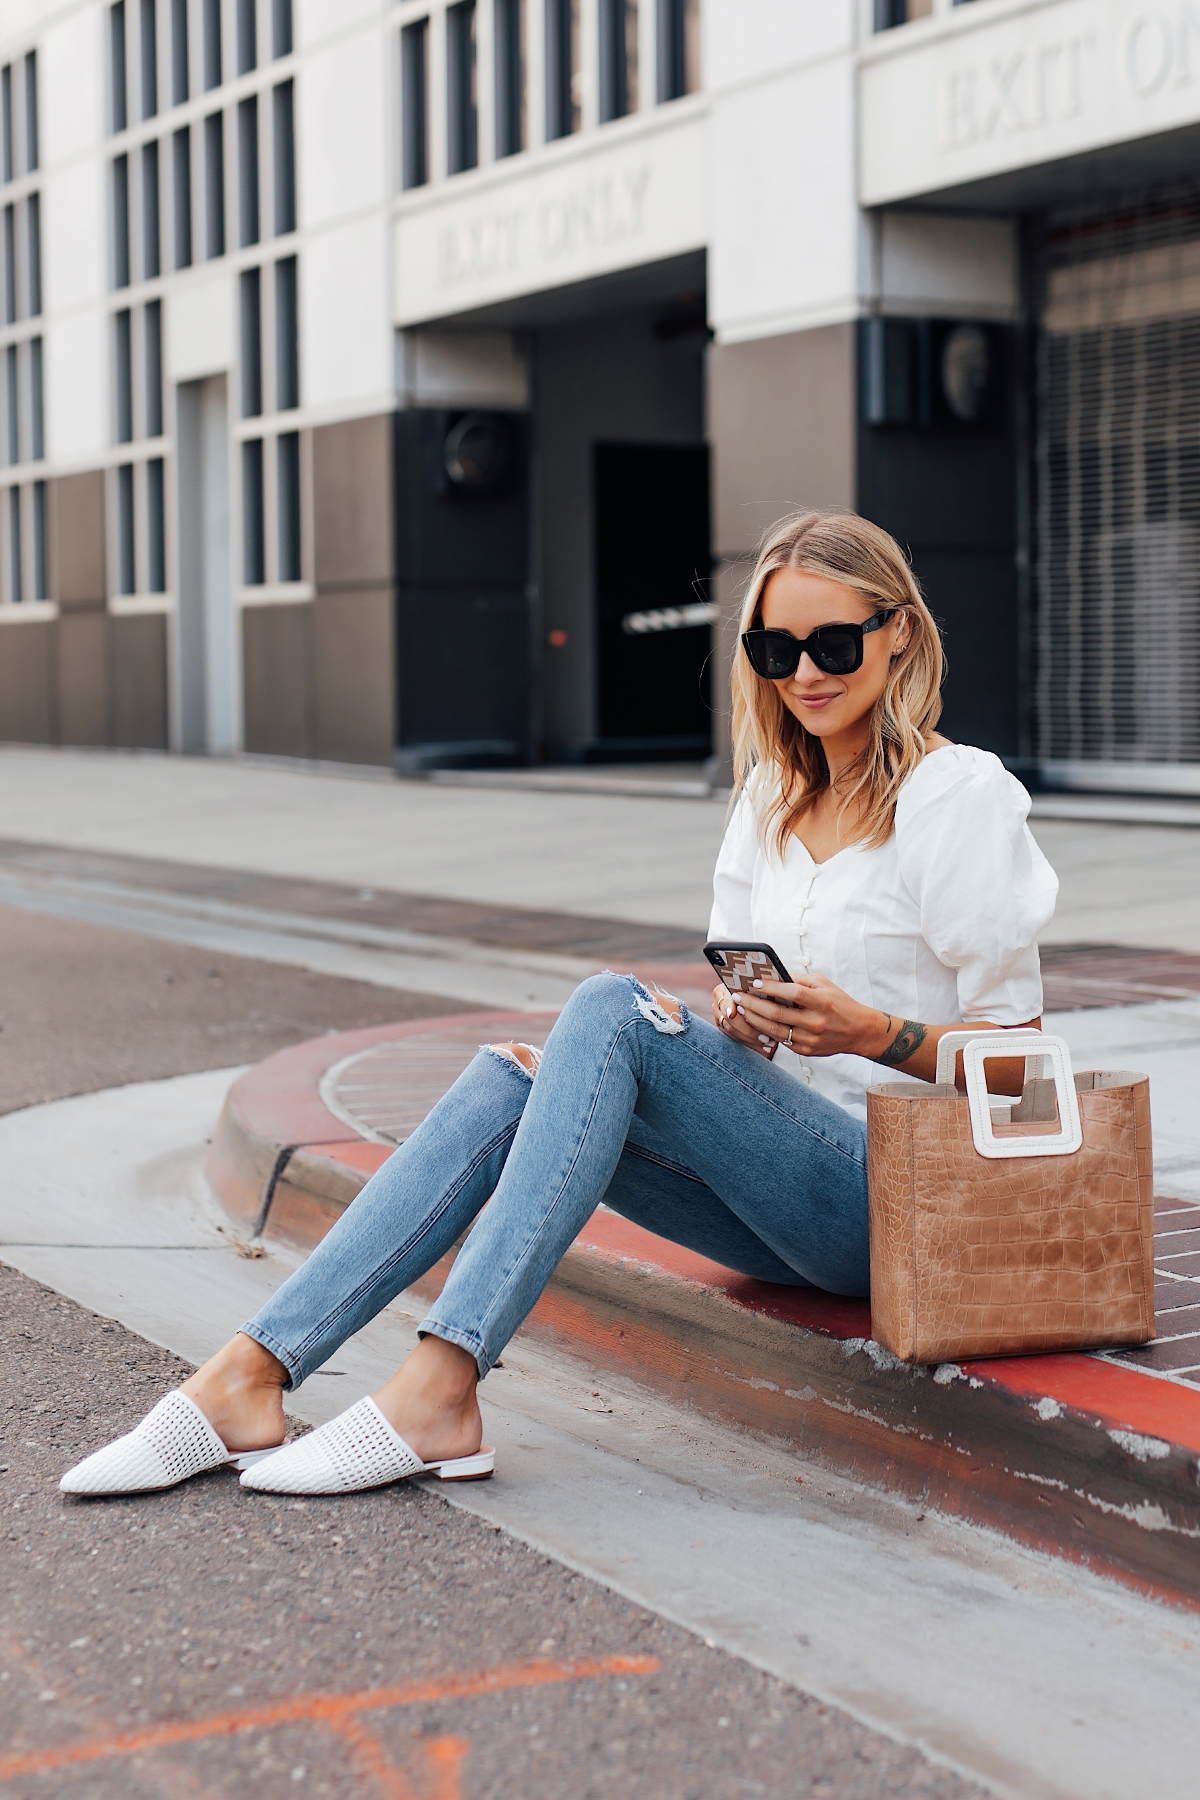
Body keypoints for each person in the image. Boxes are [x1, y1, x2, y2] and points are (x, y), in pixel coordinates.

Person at [60, 511, 1058, 1500]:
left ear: (902, 636)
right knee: (512, 1083)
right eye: (775, 648)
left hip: (902, 1200)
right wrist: (742, 1023)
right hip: (778, 1203)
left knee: (611, 1008)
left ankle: (441, 1385)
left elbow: (1031, 1085)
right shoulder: (766, 808)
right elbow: (744, 1058)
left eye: (833, 643)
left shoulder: (959, 800)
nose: (804, 673)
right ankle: (247, 1376)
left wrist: (878, 1034)